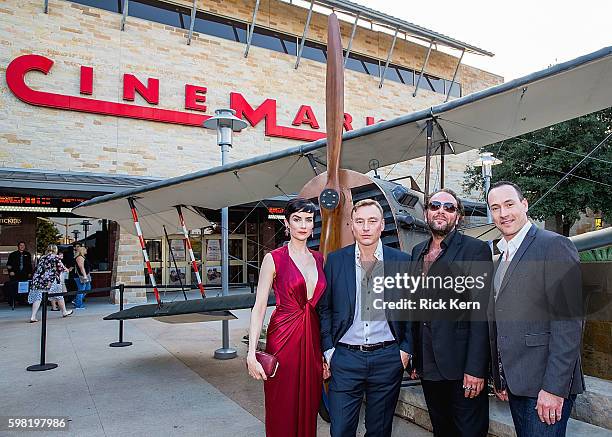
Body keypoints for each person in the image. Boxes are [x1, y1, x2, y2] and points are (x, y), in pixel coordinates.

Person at [487, 181, 584, 437]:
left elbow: (569, 324)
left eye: (509, 204)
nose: (504, 213)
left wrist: (553, 389)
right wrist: (501, 377)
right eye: (495, 208)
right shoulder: (501, 256)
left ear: (525, 204)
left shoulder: (554, 246)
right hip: (517, 383)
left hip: (545, 386)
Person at [318, 199, 413, 437]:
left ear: (382, 225)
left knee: (379, 431)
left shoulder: (401, 261)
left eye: (372, 221)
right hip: (346, 358)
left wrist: (405, 350)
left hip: (388, 358)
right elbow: (325, 308)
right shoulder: (336, 260)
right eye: (360, 222)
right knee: (340, 430)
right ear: (352, 226)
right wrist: (329, 350)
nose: (366, 227)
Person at [410, 189, 492, 437]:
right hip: (427, 363)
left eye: (449, 207)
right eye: (435, 206)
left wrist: (476, 369)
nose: (441, 211)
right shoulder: (417, 252)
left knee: (469, 431)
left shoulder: (475, 250)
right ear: (426, 212)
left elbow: (481, 313)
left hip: (461, 365)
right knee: (441, 429)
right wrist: (415, 356)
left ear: (459, 216)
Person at [247, 198, 327, 437]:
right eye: (297, 219)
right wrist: (251, 353)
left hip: (312, 340)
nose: (303, 225)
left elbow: (322, 309)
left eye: (308, 220)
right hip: (283, 337)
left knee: (310, 404)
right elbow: (259, 306)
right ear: (287, 223)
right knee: (282, 403)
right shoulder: (274, 258)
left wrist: (324, 352)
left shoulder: (319, 259)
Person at [28, 244, 72, 322]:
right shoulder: (55, 257)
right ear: (55, 250)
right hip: (50, 280)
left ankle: (33, 316)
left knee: (38, 298)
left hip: (38, 280)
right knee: (59, 295)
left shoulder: (42, 257)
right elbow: (61, 268)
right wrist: (67, 269)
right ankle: (64, 312)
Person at [5, 241, 33, 306]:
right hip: (15, 274)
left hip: (24, 274)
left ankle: (22, 301)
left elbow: (29, 264)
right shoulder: (13, 254)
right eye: (21, 245)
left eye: (23, 245)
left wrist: (29, 273)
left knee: (24, 287)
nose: (22, 246)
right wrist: (10, 271)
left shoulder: (27, 254)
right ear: (18, 246)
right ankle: (13, 301)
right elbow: (9, 264)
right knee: (15, 288)